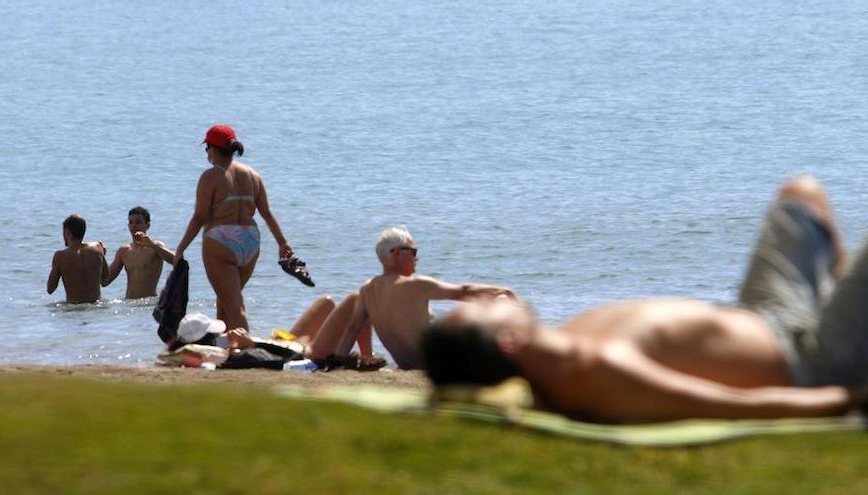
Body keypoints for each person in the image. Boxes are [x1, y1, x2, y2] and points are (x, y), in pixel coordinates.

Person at [421, 176, 868, 423]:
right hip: (812, 360)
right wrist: (847, 398)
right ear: (509, 344)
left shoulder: (570, 341)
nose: (485, 296)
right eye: (481, 310)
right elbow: (732, 407)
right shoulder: (596, 372)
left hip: (766, 316)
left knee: (801, 194)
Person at [317, 226, 516, 369]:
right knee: (499, 304)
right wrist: (502, 292)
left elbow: (353, 328)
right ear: (397, 253)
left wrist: (339, 360)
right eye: (413, 252)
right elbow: (463, 291)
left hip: (406, 365)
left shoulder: (367, 290)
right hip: (440, 365)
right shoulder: (415, 284)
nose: (417, 257)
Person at [173, 125, 296, 331]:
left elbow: (200, 216)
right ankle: (226, 347)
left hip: (221, 240)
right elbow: (266, 212)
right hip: (251, 241)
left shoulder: (211, 176)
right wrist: (283, 242)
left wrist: (181, 248)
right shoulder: (253, 175)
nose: (207, 153)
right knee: (227, 299)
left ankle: (246, 351)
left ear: (212, 149)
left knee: (234, 307)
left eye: (207, 149)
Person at [103, 206, 175, 298]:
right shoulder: (123, 251)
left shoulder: (155, 247)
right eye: (131, 222)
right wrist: (101, 258)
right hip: (129, 304)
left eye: (138, 222)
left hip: (147, 305)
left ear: (148, 225)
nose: (134, 225)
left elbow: (176, 260)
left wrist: (152, 245)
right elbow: (105, 281)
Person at [47, 214, 109, 304]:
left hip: (73, 308)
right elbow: (105, 280)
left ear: (68, 232)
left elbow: (50, 289)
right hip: (96, 305)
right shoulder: (98, 249)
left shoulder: (60, 256)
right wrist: (102, 256)